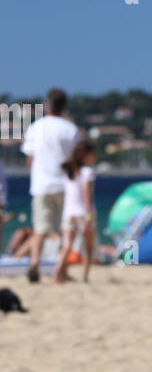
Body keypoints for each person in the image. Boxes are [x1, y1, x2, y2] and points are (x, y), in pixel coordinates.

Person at [20, 87, 80, 282]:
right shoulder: (70, 129)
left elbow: (30, 158)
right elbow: (75, 160)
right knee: (66, 230)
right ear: (64, 106)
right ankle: (61, 270)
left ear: (47, 105)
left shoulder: (36, 127)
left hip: (41, 185)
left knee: (40, 230)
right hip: (65, 185)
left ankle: (35, 264)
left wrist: (35, 175)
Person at [55, 140, 97, 284]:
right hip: (83, 213)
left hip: (68, 213)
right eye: (93, 153)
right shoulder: (87, 172)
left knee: (67, 246)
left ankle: (57, 275)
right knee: (88, 247)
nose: (95, 156)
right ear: (86, 155)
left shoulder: (68, 172)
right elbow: (87, 195)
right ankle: (84, 277)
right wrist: (88, 215)